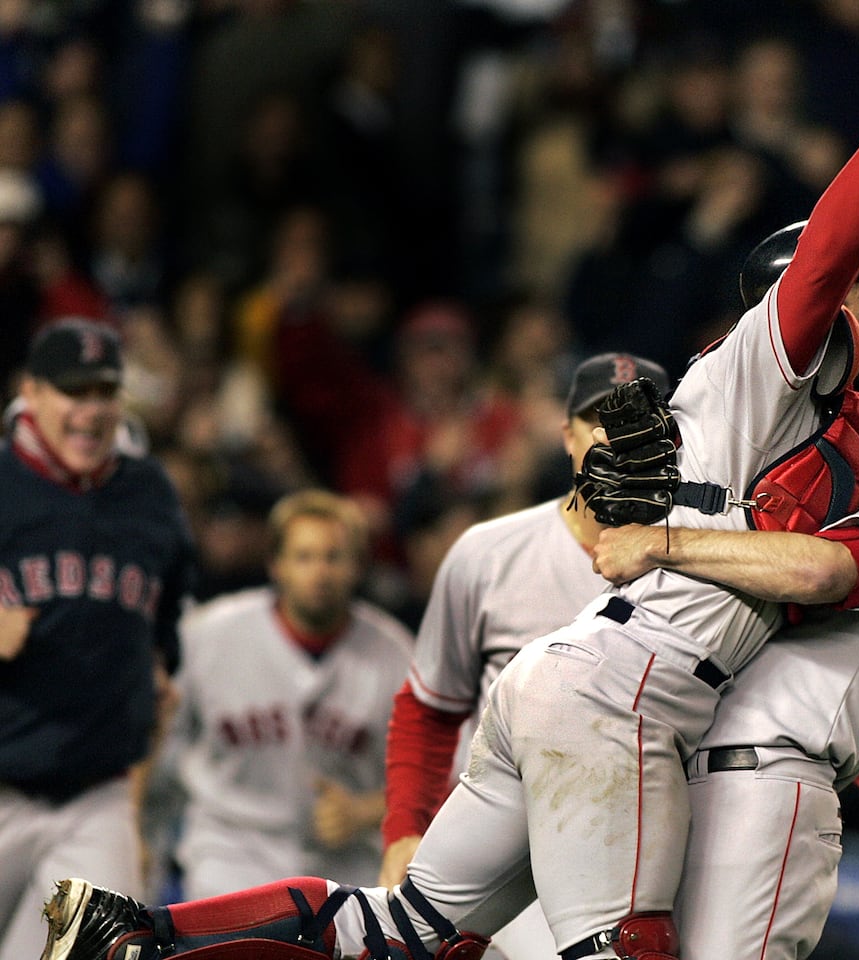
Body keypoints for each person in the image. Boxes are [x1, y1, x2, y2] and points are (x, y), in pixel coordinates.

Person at [36, 12, 859, 960]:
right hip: (626, 696)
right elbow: (830, 254)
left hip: (575, 677)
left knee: (404, 932)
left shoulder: (810, 422)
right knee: (625, 949)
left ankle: (134, 933)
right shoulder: (768, 359)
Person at [589, 360, 859, 959]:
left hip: (763, 787)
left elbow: (818, 571)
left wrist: (659, 542)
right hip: (722, 778)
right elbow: (841, 696)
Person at [378, 351, 671, 960]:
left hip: (648, 844)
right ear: (567, 436)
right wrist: (405, 828)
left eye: (636, 420)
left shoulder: (704, 560)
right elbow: (430, 706)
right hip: (510, 843)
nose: (614, 435)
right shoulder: (488, 553)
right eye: (598, 420)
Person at [0, 318, 196, 960]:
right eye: (72, 391)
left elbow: (166, 625)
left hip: (97, 793)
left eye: (104, 392)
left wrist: (158, 663)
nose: (90, 410)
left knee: (112, 953)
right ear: (31, 392)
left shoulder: (148, 493)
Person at [161, 489, 412, 899]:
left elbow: (443, 779)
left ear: (358, 566)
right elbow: (159, 733)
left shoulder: (397, 656)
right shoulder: (210, 635)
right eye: (304, 557)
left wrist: (365, 810)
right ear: (275, 564)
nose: (320, 572)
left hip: (344, 863)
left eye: (334, 557)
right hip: (229, 851)